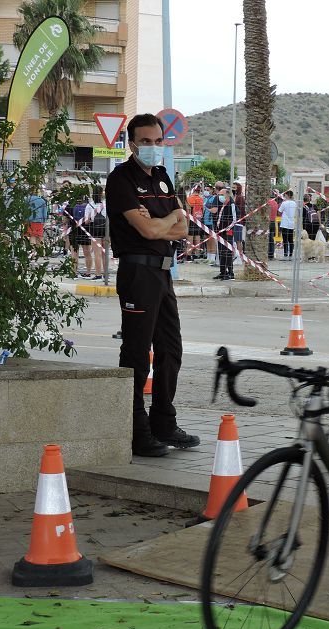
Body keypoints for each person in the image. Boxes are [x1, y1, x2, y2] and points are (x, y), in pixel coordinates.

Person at [105, 112, 199, 458]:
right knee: (136, 354)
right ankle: (135, 428)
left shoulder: (162, 177)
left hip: (162, 272)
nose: (153, 148)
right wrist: (167, 221)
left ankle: (164, 422)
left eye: (158, 141)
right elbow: (146, 232)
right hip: (137, 272)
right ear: (132, 144)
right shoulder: (121, 180)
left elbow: (182, 229)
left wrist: (166, 221)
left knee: (171, 349)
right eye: (146, 142)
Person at [210, 183, 236, 280]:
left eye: (222, 195)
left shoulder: (231, 203)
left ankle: (231, 272)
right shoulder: (221, 203)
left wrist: (226, 229)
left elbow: (234, 219)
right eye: (219, 194)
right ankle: (222, 272)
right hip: (219, 232)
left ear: (227, 195)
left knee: (227, 252)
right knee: (221, 252)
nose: (220, 196)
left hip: (227, 232)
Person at [84, 186, 108, 279]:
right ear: (102, 194)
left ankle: (98, 274)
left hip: (94, 229)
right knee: (104, 253)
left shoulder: (89, 205)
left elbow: (86, 221)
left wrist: (91, 217)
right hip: (105, 229)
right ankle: (106, 274)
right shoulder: (106, 204)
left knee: (97, 253)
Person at [185, 184, 205, 259]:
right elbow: (202, 209)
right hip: (199, 218)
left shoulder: (189, 199)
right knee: (197, 236)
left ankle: (189, 254)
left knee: (190, 236)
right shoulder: (201, 199)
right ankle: (197, 253)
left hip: (191, 219)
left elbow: (188, 210)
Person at [278, 189, 297, 260]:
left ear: (288, 195)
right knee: (291, 240)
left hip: (285, 223)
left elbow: (279, 212)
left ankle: (285, 255)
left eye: (285, 195)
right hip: (291, 224)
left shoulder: (284, 203)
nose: (284, 196)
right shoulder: (294, 203)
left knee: (285, 240)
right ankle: (291, 255)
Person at [232, 181, 246, 264]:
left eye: (234, 187)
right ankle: (236, 256)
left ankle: (240, 257)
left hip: (238, 221)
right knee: (235, 240)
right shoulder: (235, 197)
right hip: (233, 221)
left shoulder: (239, 198)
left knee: (238, 240)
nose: (233, 189)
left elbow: (240, 210)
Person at [267, 190, 280, 259]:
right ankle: (271, 254)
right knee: (271, 239)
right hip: (273, 222)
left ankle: (268, 253)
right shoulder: (275, 203)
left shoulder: (268, 203)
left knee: (267, 239)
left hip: (268, 222)